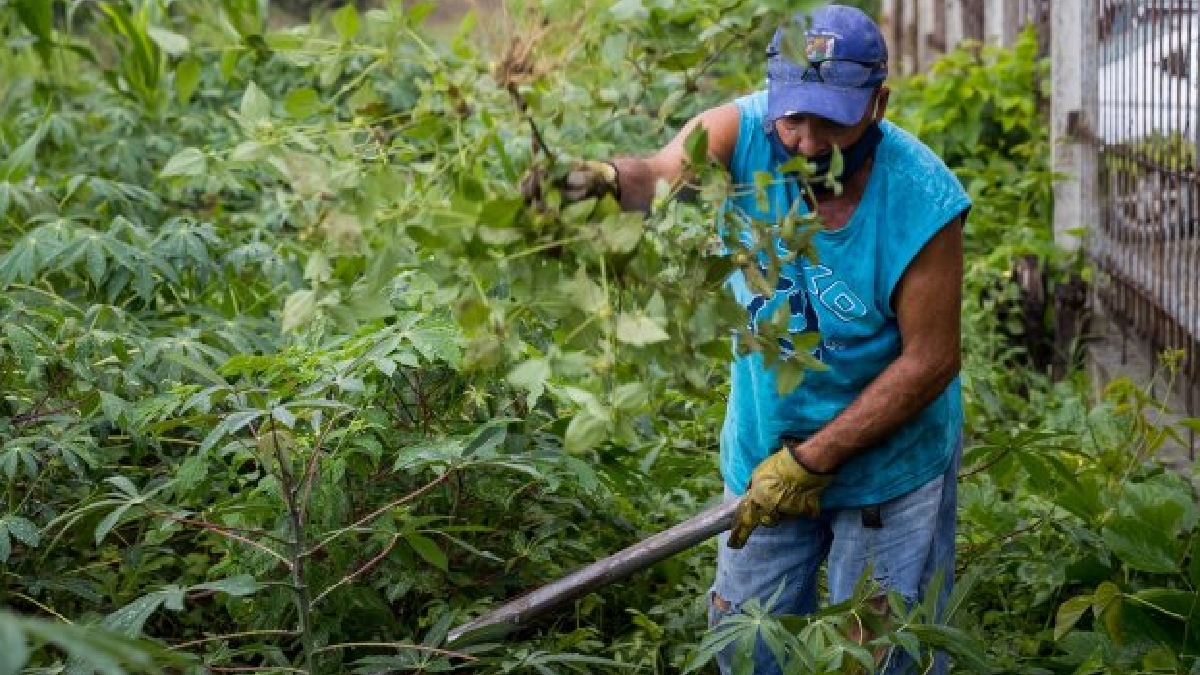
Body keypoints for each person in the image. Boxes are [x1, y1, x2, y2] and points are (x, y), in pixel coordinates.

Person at [526, 5, 970, 674]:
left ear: (879, 102)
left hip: (889, 464)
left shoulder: (923, 199)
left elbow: (930, 361)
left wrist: (812, 461)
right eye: (794, 119)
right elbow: (660, 172)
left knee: (877, 656)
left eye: (833, 122)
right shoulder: (738, 130)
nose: (809, 143)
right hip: (765, 448)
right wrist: (607, 181)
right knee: (745, 645)